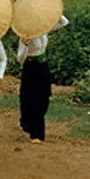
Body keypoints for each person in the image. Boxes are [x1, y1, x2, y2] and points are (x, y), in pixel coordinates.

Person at [17, 14, 69, 144]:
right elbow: (20, 58)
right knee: (32, 99)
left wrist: (55, 11)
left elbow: (64, 22)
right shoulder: (25, 36)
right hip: (30, 67)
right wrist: (25, 45)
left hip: (43, 67)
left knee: (44, 98)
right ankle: (36, 134)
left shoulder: (43, 31)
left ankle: (29, 124)